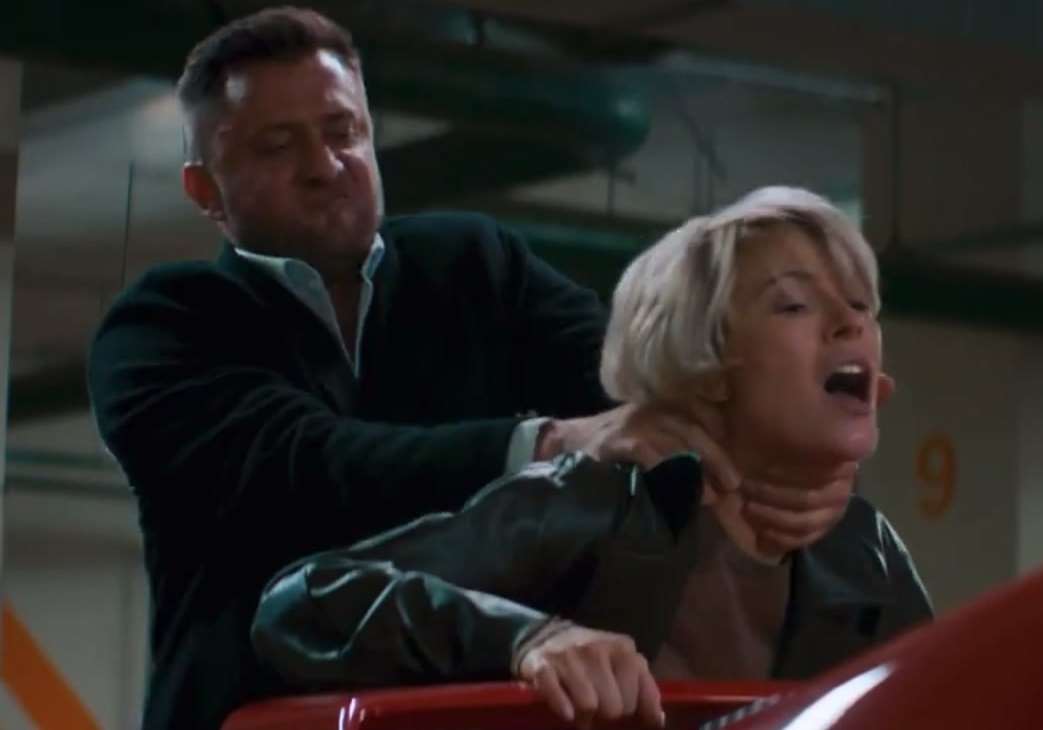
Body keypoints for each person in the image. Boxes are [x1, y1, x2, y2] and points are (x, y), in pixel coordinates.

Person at [84, 9, 855, 730]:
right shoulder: (161, 329)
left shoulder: (475, 265)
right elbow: (308, 467)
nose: (325, 165)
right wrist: (551, 443)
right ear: (205, 190)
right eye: (277, 147)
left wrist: (781, 447)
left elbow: (639, 385)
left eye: (343, 131)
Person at [252, 186, 935, 728]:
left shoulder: (865, 551)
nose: (851, 323)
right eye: (794, 305)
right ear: (707, 365)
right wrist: (527, 640)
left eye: (860, 305)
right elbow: (304, 602)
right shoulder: (596, 500)